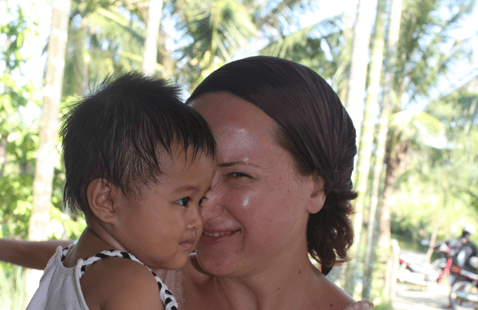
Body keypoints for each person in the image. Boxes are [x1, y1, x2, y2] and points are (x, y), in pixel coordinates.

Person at [1, 56, 373, 310]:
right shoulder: (146, 270)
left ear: (316, 188)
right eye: (188, 191)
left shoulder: (143, 273)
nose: (203, 208)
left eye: (237, 175)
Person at [24, 72, 217, 310]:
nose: (198, 219)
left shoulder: (63, 266)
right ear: (106, 201)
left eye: (200, 201)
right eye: (184, 200)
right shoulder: (131, 283)